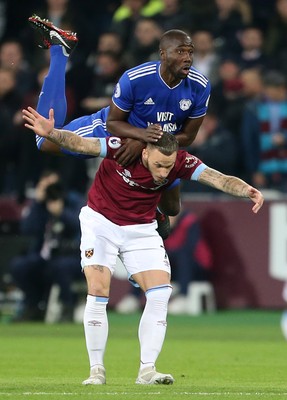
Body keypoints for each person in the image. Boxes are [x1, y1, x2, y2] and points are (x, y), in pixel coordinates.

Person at [22, 105, 264, 385]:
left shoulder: (180, 162)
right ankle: (96, 370)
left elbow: (217, 178)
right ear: (146, 152)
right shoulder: (122, 148)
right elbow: (82, 144)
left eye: (168, 165)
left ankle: (147, 370)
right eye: (159, 164)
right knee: (99, 290)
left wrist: (247, 190)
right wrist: (52, 133)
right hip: (101, 221)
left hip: (141, 227)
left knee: (160, 294)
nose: (164, 172)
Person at [27, 15, 211, 232]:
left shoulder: (200, 85)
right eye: (180, 52)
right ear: (163, 54)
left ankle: (157, 210)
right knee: (45, 139)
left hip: (159, 146)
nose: (188, 58)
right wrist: (140, 137)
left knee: (172, 208)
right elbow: (114, 123)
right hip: (113, 129)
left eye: (190, 52)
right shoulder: (136, 78)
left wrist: (144, 143)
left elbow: (188, 137)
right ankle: (60, 50)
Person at [9, 170, 84, 322]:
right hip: (45, 256)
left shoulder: (73, 200)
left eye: (53, 185)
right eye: (46, 186)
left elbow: (79, 226)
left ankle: (67, 308)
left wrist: (61, 212)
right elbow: (27, 229)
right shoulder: (40, 205)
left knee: (60, 267)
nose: (50, 190)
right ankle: (33, 306)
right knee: (20, 266)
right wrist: (37, 204)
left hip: (72, 255)